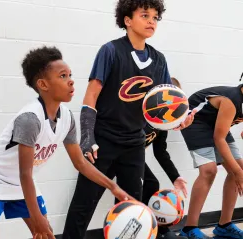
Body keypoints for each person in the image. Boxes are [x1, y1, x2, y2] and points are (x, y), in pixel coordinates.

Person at [62, 0, 195, 238]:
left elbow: (166, 105)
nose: (151, 21)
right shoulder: (111, 51)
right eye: (145, 15)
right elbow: (90, 96)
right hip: (103, 141)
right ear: (127, 20)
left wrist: (181, 120)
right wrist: (87, 137)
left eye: (155, 17)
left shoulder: (159, 59)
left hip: (134, 144)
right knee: (83, 204)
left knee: (131, 208)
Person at [0, 46, 132, 239]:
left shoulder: (66, 118)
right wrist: (36, 216)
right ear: (43, 84)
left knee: (45, 234)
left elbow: (80, 163)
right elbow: (25, 173)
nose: (71, 80)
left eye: (70, 75)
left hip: (24, 182)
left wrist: (113, 187)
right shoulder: (30, 119)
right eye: (63, 76)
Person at [179, 84, 243, 239]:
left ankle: (224, 225)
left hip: (217, 124)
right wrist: (237, 172)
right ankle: (189, 228)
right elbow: (218, 138)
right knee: (209, 170)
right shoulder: (232, 99)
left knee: (240, 168)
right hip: (196, 121)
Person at [142, 77, 187, 239]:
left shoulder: (164, 122)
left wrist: (175, 176)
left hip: (131, 157)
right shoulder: (144, 116)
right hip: (115, 155)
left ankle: (157, 229)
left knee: (147, 184)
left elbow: (160, 152)